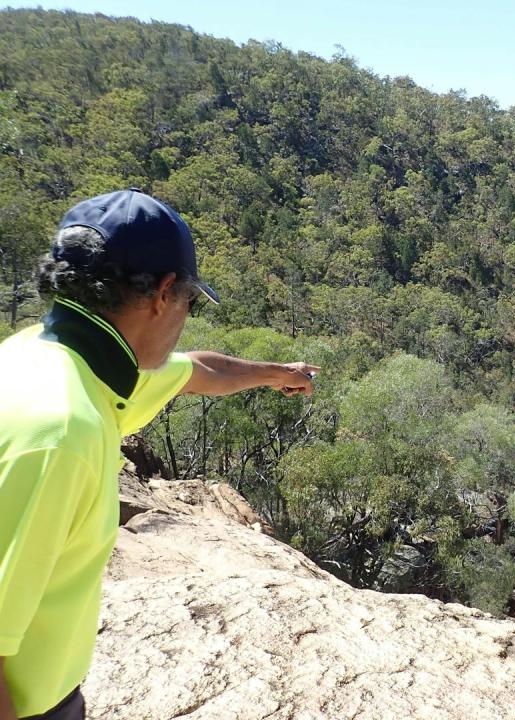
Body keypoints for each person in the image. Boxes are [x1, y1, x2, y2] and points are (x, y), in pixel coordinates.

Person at [0, 189, 320, 719]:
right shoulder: (60, 431)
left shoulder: (50, 358)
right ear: (164, 293)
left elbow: (196, 370)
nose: (184, 319)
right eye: (190, 302)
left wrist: (276, 374)